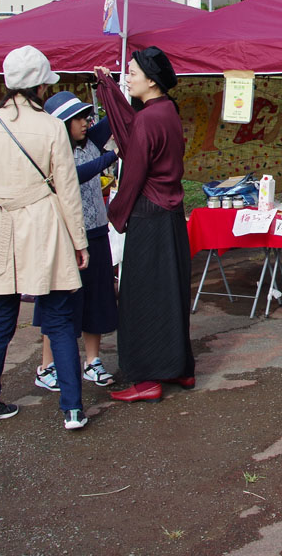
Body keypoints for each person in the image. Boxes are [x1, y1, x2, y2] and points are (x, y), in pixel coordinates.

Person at [0, 46, 90, 431]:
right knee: (59, 319)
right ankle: (71, 408)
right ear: (40, 86)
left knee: (0, 319)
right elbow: (68, 190)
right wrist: (79, 240)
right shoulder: (52, 126)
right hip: (43, 227)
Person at [95, 47, 196, 403]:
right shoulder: (166, 110)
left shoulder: (149, 119)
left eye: (133, 72)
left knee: (141, 298)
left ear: (151, 80)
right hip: (170, 213)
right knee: (171, 291)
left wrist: (115, 215)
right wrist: (107, 86)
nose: (129, 77)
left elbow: (133, 174)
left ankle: (147, 379)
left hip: (148, 215)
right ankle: (180, 367)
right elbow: (129, 125)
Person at [33, 91, 119, 392]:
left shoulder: (90, 142)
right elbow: (74, 175)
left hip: (95, 231)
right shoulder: (53, 152)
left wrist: (109, 87)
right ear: (62, 124)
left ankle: (92, 361)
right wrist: (112, 157)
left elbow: (113, 119)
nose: (86, 123)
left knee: (96, 299)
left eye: (86, 116)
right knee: (60, 305)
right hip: (66, 238)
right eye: (79, 119)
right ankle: (47, 366)